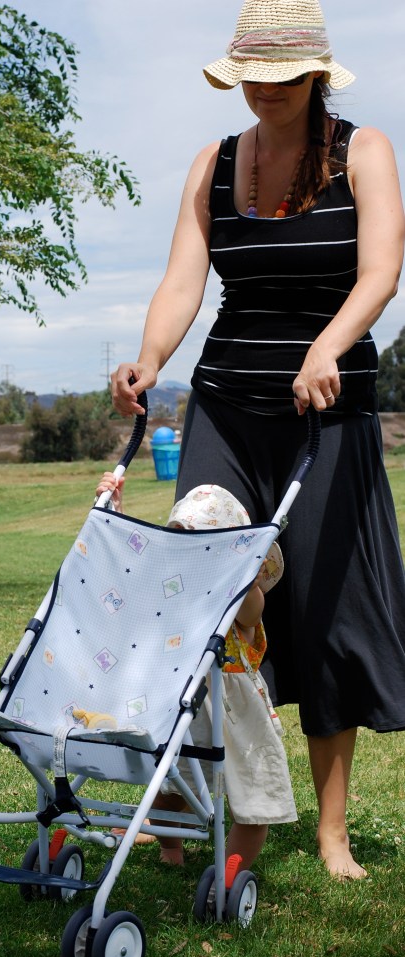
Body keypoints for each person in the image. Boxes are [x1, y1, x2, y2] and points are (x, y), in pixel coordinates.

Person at [110, 0, 405, 881]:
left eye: (282, 75)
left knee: (322, 618)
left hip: (329, 418)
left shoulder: (365, 151)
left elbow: (382, 269)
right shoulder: (215, 161)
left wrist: (328, 345)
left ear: (316, 74)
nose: (265, 90)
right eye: (253, 75)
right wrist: (148, 359)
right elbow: (181, 282)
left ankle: (329, 830)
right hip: (226, 410)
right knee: (196, 604)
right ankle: (185, 801)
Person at [96, 473, 296, 870]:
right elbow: (130, 569)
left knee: (254, 802)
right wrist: (113, 510)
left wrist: (241, 575)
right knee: (169, 787)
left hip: (236, 716)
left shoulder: (246, 594)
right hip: (181, 705)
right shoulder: (171, 587)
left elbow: (251, 611)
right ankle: (171, 848)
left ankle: (230, 870)